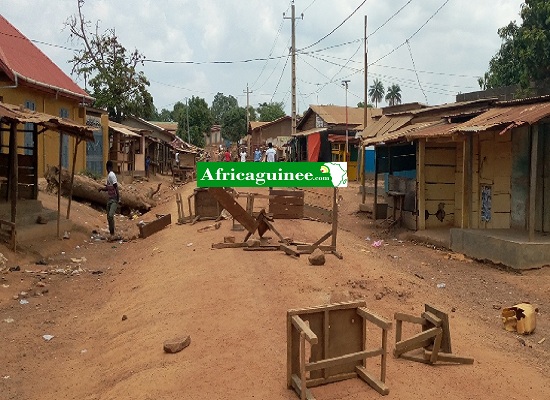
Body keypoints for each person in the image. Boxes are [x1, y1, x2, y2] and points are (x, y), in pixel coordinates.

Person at [98, 160, 120, 239]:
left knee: (110, 215)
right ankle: (112, 233)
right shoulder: (109, 176)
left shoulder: (111, 175)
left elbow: (115, 186)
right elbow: (108, 187)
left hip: (114, 199)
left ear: (107, 167)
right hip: (110, 199)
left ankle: (113, 233)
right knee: (108, 217)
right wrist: (101, 188)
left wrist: (118, 197)